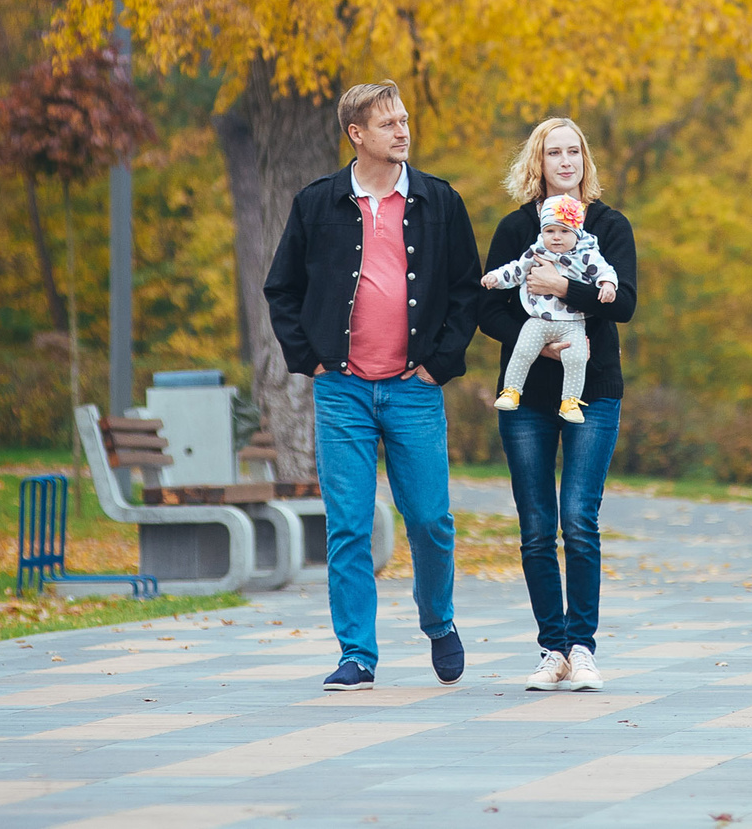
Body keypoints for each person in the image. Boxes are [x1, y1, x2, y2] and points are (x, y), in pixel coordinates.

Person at [262, 80, 483, 692]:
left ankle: (439, 623)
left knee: (432, 519)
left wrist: (440, 363)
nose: (403, 131)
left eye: (406, 121)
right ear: (356, 134)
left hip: (415, 389)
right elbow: (282, 289)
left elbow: (467, 290)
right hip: (344, 392)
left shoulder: (441, 202)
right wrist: (312, 359)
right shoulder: (317, 203)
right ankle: (357, 653)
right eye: (389, 124)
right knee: (349, 524)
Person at [480, 117, 635, 692]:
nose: (565, 161)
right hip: (525, 395)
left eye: (574, 152)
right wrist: (540, 341)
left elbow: (625, 305)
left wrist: (564, 289)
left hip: (594, 390)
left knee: (578, 519)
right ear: (537, 163)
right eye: (554, 153)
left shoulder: (610, 226)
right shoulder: (516, 227)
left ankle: (583, 646)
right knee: (537, 526)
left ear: (585, 161)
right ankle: (552, 650)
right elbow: (486, 307)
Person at [482, 193, 618, 418]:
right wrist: (496, 278)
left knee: (576, 357)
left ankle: (571, 401)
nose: (556, 237)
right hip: (538, 319)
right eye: (550, 231)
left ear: (576, 233)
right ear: (542, 232)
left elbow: (605, 271)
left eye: (564, 232)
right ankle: (512, 390)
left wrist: (607, 285)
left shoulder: (586, 255)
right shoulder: (536, 252)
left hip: (572, 323)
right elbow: (515, 270)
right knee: (523, 349)